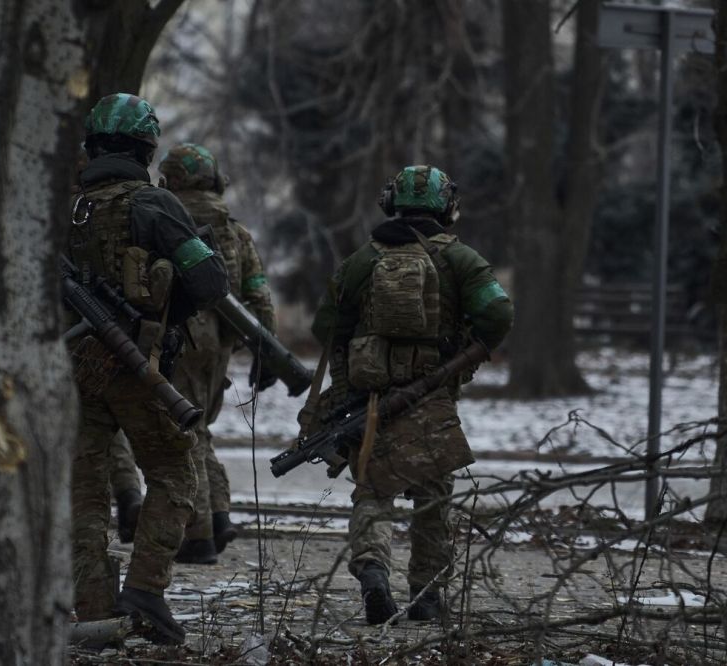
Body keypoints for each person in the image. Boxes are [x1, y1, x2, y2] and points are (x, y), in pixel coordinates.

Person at [308, 165, 513, 625]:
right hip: (434, 393)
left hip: (370, 398)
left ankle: (374, 569)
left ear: (391, 204)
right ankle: (427, 594)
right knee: (433, 494)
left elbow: (325, 327)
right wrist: (466, 351)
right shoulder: (460, 259)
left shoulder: (363, 259)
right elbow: (498, 311)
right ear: (446, 208)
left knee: (372, 489)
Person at [67, 94, 229, 643]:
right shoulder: (154, 206)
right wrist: (166, 314)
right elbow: (209, 282)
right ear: (145, 148)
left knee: (82, 493)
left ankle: (92, 609)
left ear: (90, 146)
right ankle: (144, 591)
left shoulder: (65, 210)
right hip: (137, 368)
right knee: (176, 474)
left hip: (71, 372)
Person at [110, 143, 277, 564]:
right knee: (200, 430)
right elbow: (259, 293)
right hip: (223, 340)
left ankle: (197, 535)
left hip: (176, 332)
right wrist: (265, 351)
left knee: (183, 436)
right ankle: (219, 517)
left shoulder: (160, 212)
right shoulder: (233, 228)